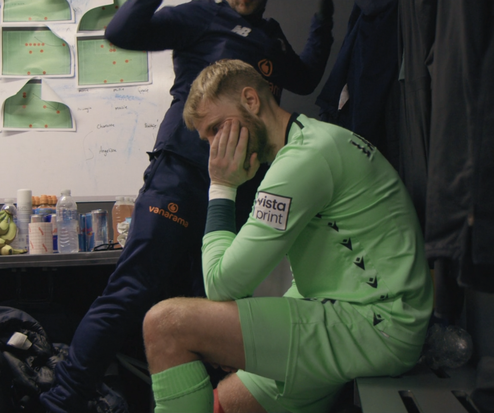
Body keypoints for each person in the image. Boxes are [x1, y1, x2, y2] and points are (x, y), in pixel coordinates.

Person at [40, 1, 334, 411]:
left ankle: (212, 403)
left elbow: (305, 78)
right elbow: (123, 32)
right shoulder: (199, 16)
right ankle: (61, 401)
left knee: (220, 308)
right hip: (180, 176)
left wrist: (325, 16)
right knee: (133, 289)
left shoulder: (271, 36)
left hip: (237, 191)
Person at [142, 59, 433, 413]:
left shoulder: (303, 160)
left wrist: (221, 186)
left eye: (218, 128)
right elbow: (326, 273)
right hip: (351, 312)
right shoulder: (309, 141)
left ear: (251, 100)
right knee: (227, 403)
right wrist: (237, 335)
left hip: (377, 328)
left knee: (165, 325)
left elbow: (220, 284)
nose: (215, 149)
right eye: (208, 139)